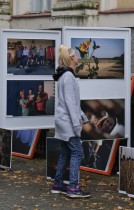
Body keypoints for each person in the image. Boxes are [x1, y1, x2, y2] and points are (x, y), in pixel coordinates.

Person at [51, 45, 91, 198]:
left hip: (63, 119)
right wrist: (76, 124)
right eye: (76, 55)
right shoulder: (68, 76)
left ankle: (58, 184)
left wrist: (83, 117)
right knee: (77, 152)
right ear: (71, 58)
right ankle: (73, 188)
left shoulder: (65, 75)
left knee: (65, 152)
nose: (78, 56)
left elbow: (72, 102)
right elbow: (70, 102)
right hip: (67, 121)